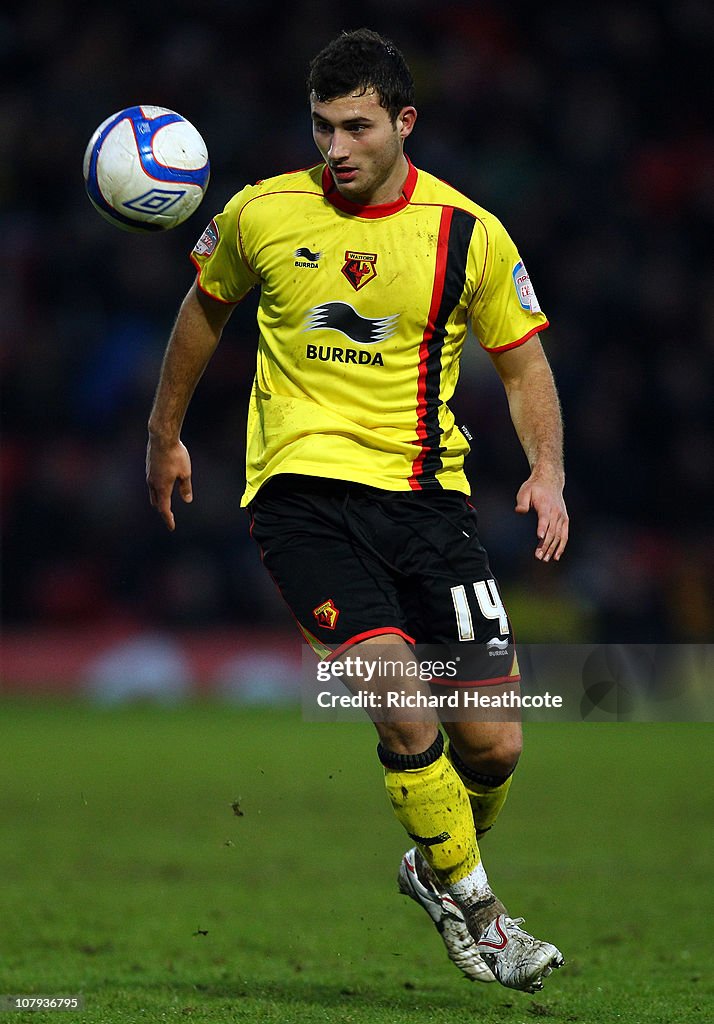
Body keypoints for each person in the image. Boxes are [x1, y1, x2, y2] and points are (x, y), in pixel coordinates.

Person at [146, 28, 568, 994]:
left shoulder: (470, 232)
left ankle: (437, 863)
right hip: (301, 496)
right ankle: (486, 917)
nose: (335, 147)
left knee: (493, 743)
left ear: (403, 123)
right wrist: (164, 434)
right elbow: (204, 312)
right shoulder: (260, 212)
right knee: (400, 700)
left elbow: (524, 362)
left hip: (430, 503)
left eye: (357, 127)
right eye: (322, 126)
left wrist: (547, 471)